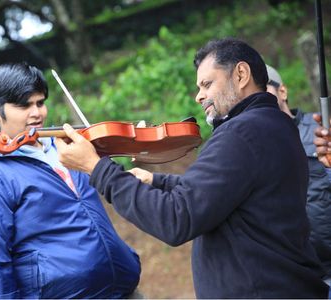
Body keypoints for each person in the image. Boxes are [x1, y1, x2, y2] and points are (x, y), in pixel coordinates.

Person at [54, 38, 329, 298]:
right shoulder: (277, 124)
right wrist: (157, 181)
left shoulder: (241, 134)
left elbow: (176, 218)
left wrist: (97, 168)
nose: (199, 96)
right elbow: (230, 193)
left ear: (241, 74)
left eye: (207, 84)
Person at [0, 62, 141, 298]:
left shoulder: (66, 148)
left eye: (40, 103)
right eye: (24, 105)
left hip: (122, 290)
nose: (37, 113)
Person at [266, 64, 331, 285]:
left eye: (262, 92)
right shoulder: (253, 144)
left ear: (282, 92)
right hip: (288, 273)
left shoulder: (321, 132)